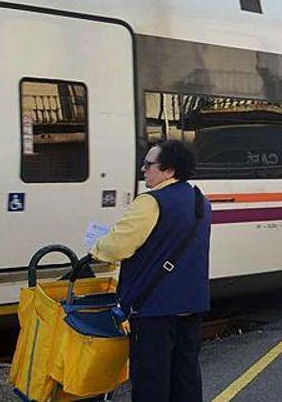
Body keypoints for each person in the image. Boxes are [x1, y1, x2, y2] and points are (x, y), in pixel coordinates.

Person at [90, 139, 210, 402]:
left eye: (148, 165)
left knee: (151, 381)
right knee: (186, 375)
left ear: (169, 170)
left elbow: (118, 247)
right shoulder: (200, 201)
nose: (143, 170)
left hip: (154, 308)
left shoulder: (150, 202)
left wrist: (95, 248)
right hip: (192, 304)